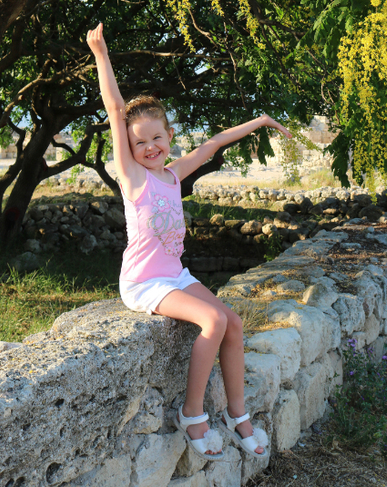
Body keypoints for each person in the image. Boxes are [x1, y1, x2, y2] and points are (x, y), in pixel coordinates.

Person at [87, 23, 292, 461]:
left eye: (157, 138)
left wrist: (260, 121)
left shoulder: (173, 174)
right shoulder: (133, 177)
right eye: (139, 142)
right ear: (128, 147)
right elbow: (114, 107)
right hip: (144, 283)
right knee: (212, 321)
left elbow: (213, 144)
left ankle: (238, 415)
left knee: (232, 323)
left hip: (175, 275)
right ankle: (192, 413)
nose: (149, 147)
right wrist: (101, 52)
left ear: (169, 138)